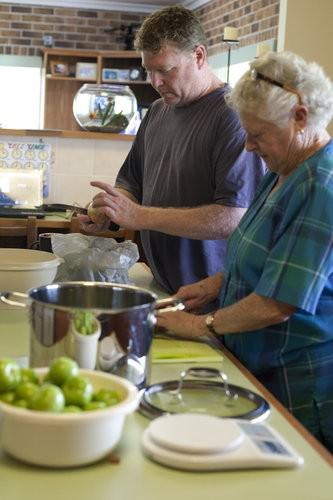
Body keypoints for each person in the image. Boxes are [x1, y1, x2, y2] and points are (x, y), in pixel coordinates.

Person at [157, 50, 333, 452]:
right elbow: (271, 256)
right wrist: (218, 283)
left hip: (300, 387)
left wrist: (200, 325)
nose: (250, 147)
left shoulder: (322, 185)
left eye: (257, 134)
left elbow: (278, 303)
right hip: (259, 370)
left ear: (301, 117)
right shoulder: (283, 171)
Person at [82, 6, 265, 308]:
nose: (156, 81)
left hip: (213, 300)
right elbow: (132, 182)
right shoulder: (156, 112)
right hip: (164, 287)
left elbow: (234, 216)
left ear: (199, 56)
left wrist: (138, 216)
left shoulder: (232, 117)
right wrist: (110, 211)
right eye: (148, 71)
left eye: (166, 69)